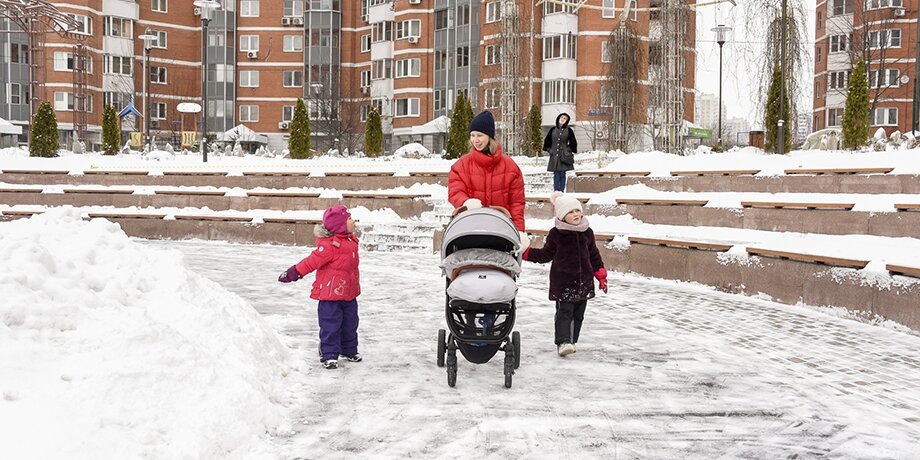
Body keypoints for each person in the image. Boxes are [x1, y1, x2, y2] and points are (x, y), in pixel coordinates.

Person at [522, 192, 607, 357]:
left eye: (577, 211)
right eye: (571, 212)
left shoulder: (587, 232)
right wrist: (527, 253)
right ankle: (563, 341)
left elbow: (594, 255)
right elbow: (546, 254)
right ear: (562, 215)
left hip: (584, 282)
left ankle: (572, 341)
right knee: (564, 312)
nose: (576, 214)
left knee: (578, 314)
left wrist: (601, 275)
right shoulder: (557, 233)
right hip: (563, 282)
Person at [278, 205, 362, 370]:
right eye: (350, 219)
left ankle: (349, 350)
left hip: (349, 293)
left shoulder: (351, 241)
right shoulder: (329, 246)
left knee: (351, 324)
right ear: (340, 225)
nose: (354, 221)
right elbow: (311, 262)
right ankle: (329, 355)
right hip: (330, 296)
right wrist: (294, 273)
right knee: (330, 325)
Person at [448, 110, 527, 232]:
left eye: (480, 135)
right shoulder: (462, 165)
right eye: (472, 135)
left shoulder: (510, 167)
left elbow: (517, 204)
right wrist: (466, 202)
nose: (475, 140)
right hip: (470, 228)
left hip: (501, 229)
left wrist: (519, 232)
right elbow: (455, 192)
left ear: (490, 137)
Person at [543, 113, 577, 192]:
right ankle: (556, 191)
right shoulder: (552, 129)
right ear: (558, 118)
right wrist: (549, 150)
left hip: (564, 155)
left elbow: (573, 142)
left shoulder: (569, 130)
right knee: (556, 173)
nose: (563, 119)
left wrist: (568, 150)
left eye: (565, 118)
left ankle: (561, 191)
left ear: (567, 121)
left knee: (562, 173)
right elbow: (547, 141)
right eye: (562, 117)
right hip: (554, 154)